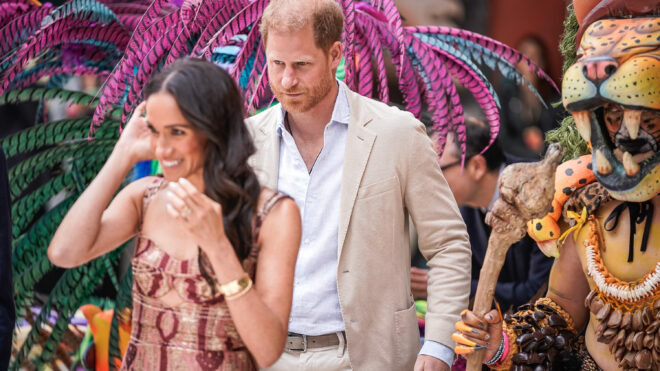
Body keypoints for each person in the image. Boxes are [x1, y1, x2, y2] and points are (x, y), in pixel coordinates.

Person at [246, 1, 472, 370]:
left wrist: (438, 345)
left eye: (302, 64)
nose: (287, 80)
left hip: (368, 356)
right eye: (277, 64)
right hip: (265, 358)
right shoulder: (245, 141)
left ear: (335, 54)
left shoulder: (397, 133)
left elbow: (448, 244)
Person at [47, 58, 302, 370]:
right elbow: (64, 253)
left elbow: (267, 350)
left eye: (177, 132)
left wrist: (218, 247)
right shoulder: (145, 196)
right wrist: (122, 155)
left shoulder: (273, 214)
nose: (163, 149)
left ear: (215, 129)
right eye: (156, 131)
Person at [411, 118, 553, 312]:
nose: (425, 183)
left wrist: (450, 286)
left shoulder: (541, 191)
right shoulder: (462, 207)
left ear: (477, 166)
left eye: (435, 171)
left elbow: (540, 292)